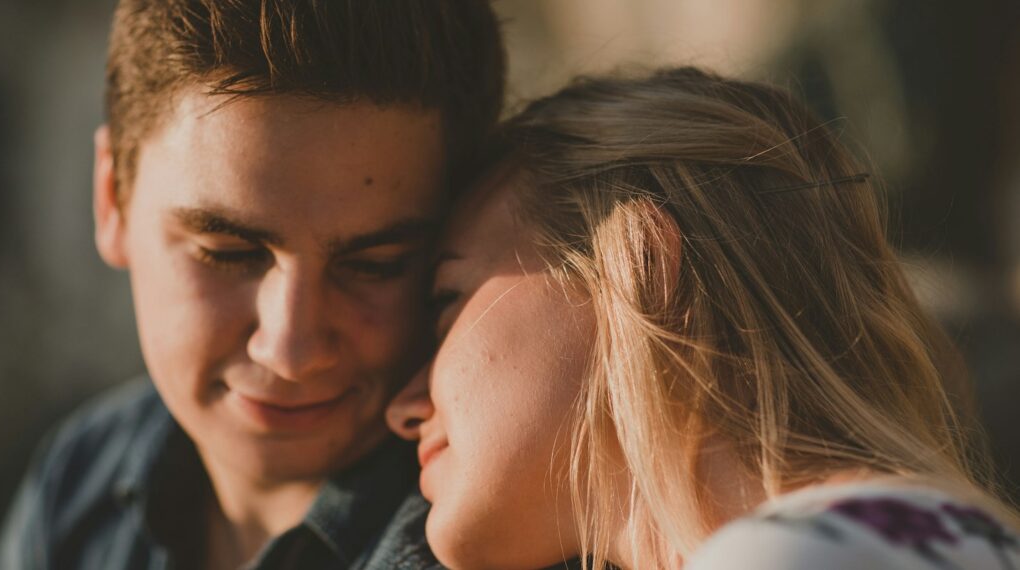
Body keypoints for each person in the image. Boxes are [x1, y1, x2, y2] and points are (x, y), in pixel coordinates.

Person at [387, 67, 1020, 570]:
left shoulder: (797, 556)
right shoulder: (922, 536)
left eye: (447, 303)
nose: (404, 405)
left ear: (635, 266)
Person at [0, 1, 505, 569]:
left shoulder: (495, 547)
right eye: (228, 254)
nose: (290, 350)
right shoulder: (77, 483)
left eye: (376, 264)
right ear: (111, 198)